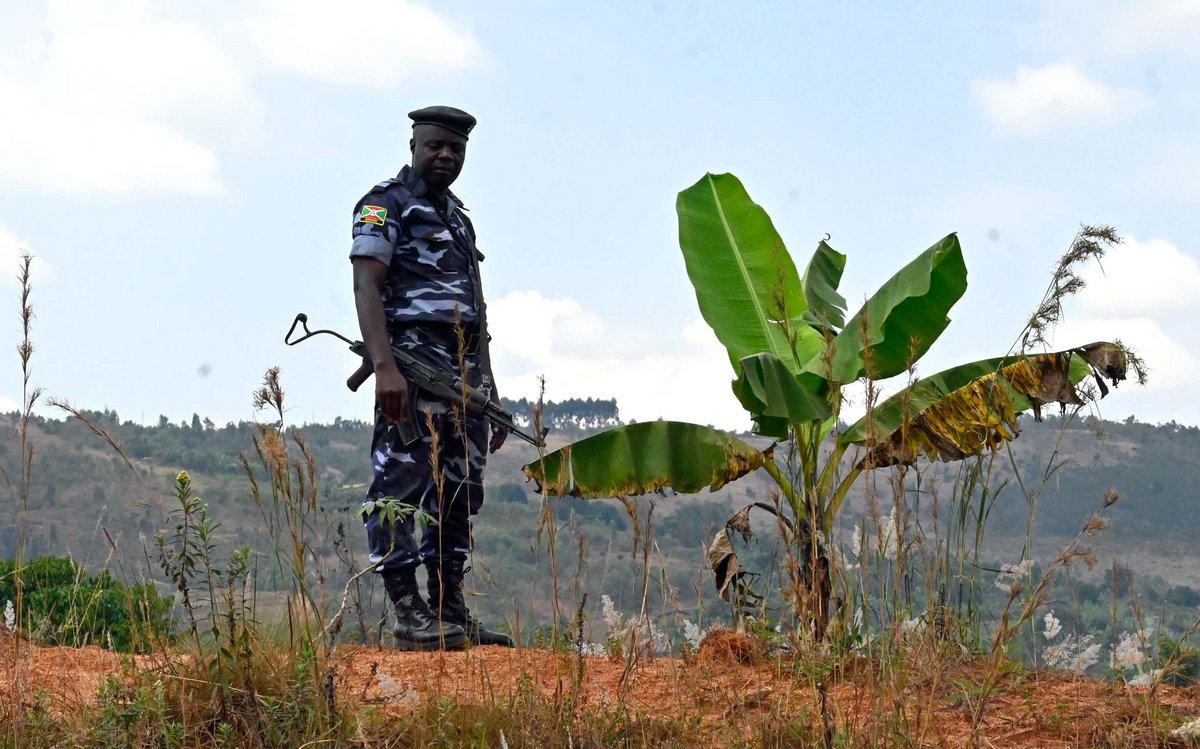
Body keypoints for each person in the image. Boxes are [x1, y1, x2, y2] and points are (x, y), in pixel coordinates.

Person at [349, 105, 513, 650]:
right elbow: (366, 286)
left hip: (465, 373)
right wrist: (385, 368)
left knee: (461, 491)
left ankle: (450, 607)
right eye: (435, 145)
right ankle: (407, 611)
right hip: (412, 367)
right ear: (414, 144)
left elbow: (477, 311)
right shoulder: (384, 204)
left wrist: (488, 389)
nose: (445, 155)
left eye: (456, 149)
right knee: (400, 484)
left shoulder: (459, 218)